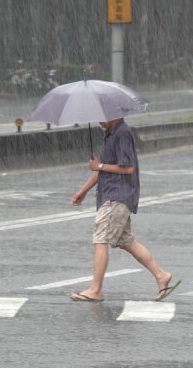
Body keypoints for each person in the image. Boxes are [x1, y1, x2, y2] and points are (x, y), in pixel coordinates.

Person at [70, 117, 180, 302]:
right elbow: (102, 170)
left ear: (114, 114)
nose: (98, 121)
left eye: (101, 116)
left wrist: (100, 165)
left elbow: (128, 168)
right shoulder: (110, 133)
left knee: (101, 240)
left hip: (117, 196)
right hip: (111, 195)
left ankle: (95, 290)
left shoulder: (122, 133)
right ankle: (161, 275)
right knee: (125, 241)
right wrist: (83, 191)